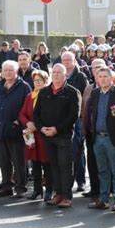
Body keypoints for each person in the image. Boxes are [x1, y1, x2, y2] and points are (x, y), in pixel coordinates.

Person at [34, 64, 81, 208]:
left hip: (63, 135)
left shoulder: (73, 92)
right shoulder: (44, 92)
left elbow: (74, 115)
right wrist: (42, 128)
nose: (56, 75)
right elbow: (36, 114)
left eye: (59, 73)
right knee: (53, 165)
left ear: (65, 75)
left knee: (65, 165)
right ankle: (58, 193)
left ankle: (67, 196)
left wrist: (57, 129)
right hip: (47, 135)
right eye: (53, 72)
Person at [87, 67, 115, 211]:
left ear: (111, 78)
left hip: (114, 139)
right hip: (98, 138)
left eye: (105, 76)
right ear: (97, 78)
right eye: (100, 76)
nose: (103, 79)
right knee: (102, 170)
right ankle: (104, 199)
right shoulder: (94, 94)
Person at [0, 60, 31, 197]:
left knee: (18, 160)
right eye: (5, 70)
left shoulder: (24, 87)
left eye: (11, 70)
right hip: (0, 128)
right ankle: (7, 186)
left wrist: (18, 122)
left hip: (16, 128)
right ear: (2, 72)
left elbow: (28, 107)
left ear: (16, 71)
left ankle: (21, 188)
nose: (8, 73)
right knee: (3, 160)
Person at [19, 69, 52, 201]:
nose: (37, 83)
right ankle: (37, 190)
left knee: (47, 165)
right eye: (35, 80)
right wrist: (27, 123)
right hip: (32, 137)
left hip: (44, 135)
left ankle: (49, 190)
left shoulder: (48, 96)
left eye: (40, 80)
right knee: (35, 164)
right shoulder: (29, 96)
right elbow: (21, 114)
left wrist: (37, 126)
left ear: (45, 81)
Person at [81, 59, 107, 201]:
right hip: (90, 132)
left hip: (105, 133)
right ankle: (94, 189)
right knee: (92, 162)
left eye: (99, 68)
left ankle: (105, 191)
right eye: (94, 68)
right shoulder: (89, 88)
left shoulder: (111, 87)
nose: (97, 71)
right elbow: (83, 108)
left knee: (104, 164)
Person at [62, 51, 88, 192]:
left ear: (74, 61)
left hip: (77, 118)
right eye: (64, 60)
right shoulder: (60, 75)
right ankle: (66, 182)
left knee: (78, 149)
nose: (66, 62)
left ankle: (81, 180)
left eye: (68, 60)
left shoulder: (81, 76)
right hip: (62, 118)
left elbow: (84, 98)